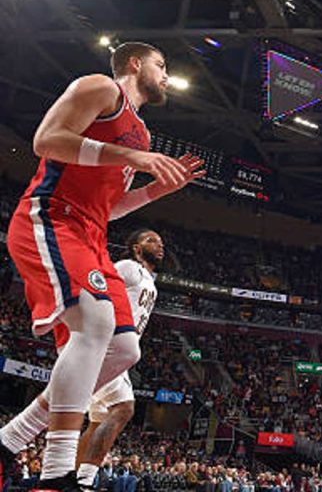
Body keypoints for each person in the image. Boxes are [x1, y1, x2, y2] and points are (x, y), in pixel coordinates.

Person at [1, 42, 203, 490]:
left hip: (92, 232)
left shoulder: (144, 135)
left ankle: (10, 439)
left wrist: (157, 191)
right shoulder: (101, 89)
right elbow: (46, 141)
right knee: (93, 323)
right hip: (53, 215)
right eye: (161, 65)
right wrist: (130, 157)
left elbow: (110, 210)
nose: (167, 76)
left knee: (125, 350)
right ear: (135, 63)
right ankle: (56, 473)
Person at [74, 229, 165, 488]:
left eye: (161, 242)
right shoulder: (128, 267)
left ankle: (71, 475)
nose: (159, 246)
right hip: (108, 345)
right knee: (124, 408)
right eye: (151, 241)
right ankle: (84, 481)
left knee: (96, 422)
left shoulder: (150, 282)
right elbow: (96, 286)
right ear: (136, 248)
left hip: (120, 352)